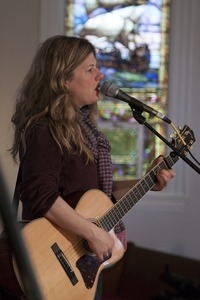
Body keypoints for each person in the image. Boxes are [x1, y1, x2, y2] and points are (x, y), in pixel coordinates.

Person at [9, 35, 175, 299]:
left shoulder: (85, 132)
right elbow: (41, 195)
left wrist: (147, 181)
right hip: (53, 265)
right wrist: (92, 233)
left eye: (97, 67)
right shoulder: (45, 129)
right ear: (63, 79)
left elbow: (100, 197)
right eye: (90, 69)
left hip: (82, 266)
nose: (100, 75)